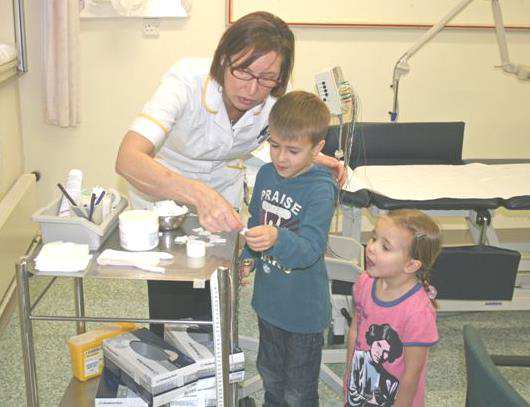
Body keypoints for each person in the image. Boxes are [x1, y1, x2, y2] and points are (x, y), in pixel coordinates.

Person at [114, 11, 344, 336]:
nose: (252, 89)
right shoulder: (185, 81)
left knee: (215, 299)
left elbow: (278, 137)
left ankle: (214, 375)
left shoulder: (275, 93)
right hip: (167, 199)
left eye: (267, 79)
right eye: (243, 72)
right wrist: (198, 194)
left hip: (224, 197)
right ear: (223, 60)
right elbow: (128, 159)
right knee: (172, 306)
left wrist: (311, 156)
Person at [239, 90, 338, 406]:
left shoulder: (321, 189)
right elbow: (256, 219)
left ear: (317, 148)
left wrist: (276, 237)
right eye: (275, 145)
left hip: (303, 313)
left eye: (293, 150)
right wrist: (248, 257)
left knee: (298, 391)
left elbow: (310, 249)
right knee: (270, 373)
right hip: (268, 303)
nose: (281, 158)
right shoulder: (267, 174)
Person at [344, 209, 442, 407]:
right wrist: (349, 371)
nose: (371, 248)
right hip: (360, 392)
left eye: (385, 247)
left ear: (411, 265)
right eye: (373, 238)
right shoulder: (365, 282)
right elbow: (356, 329)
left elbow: (412, 373)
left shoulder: (417, 312)